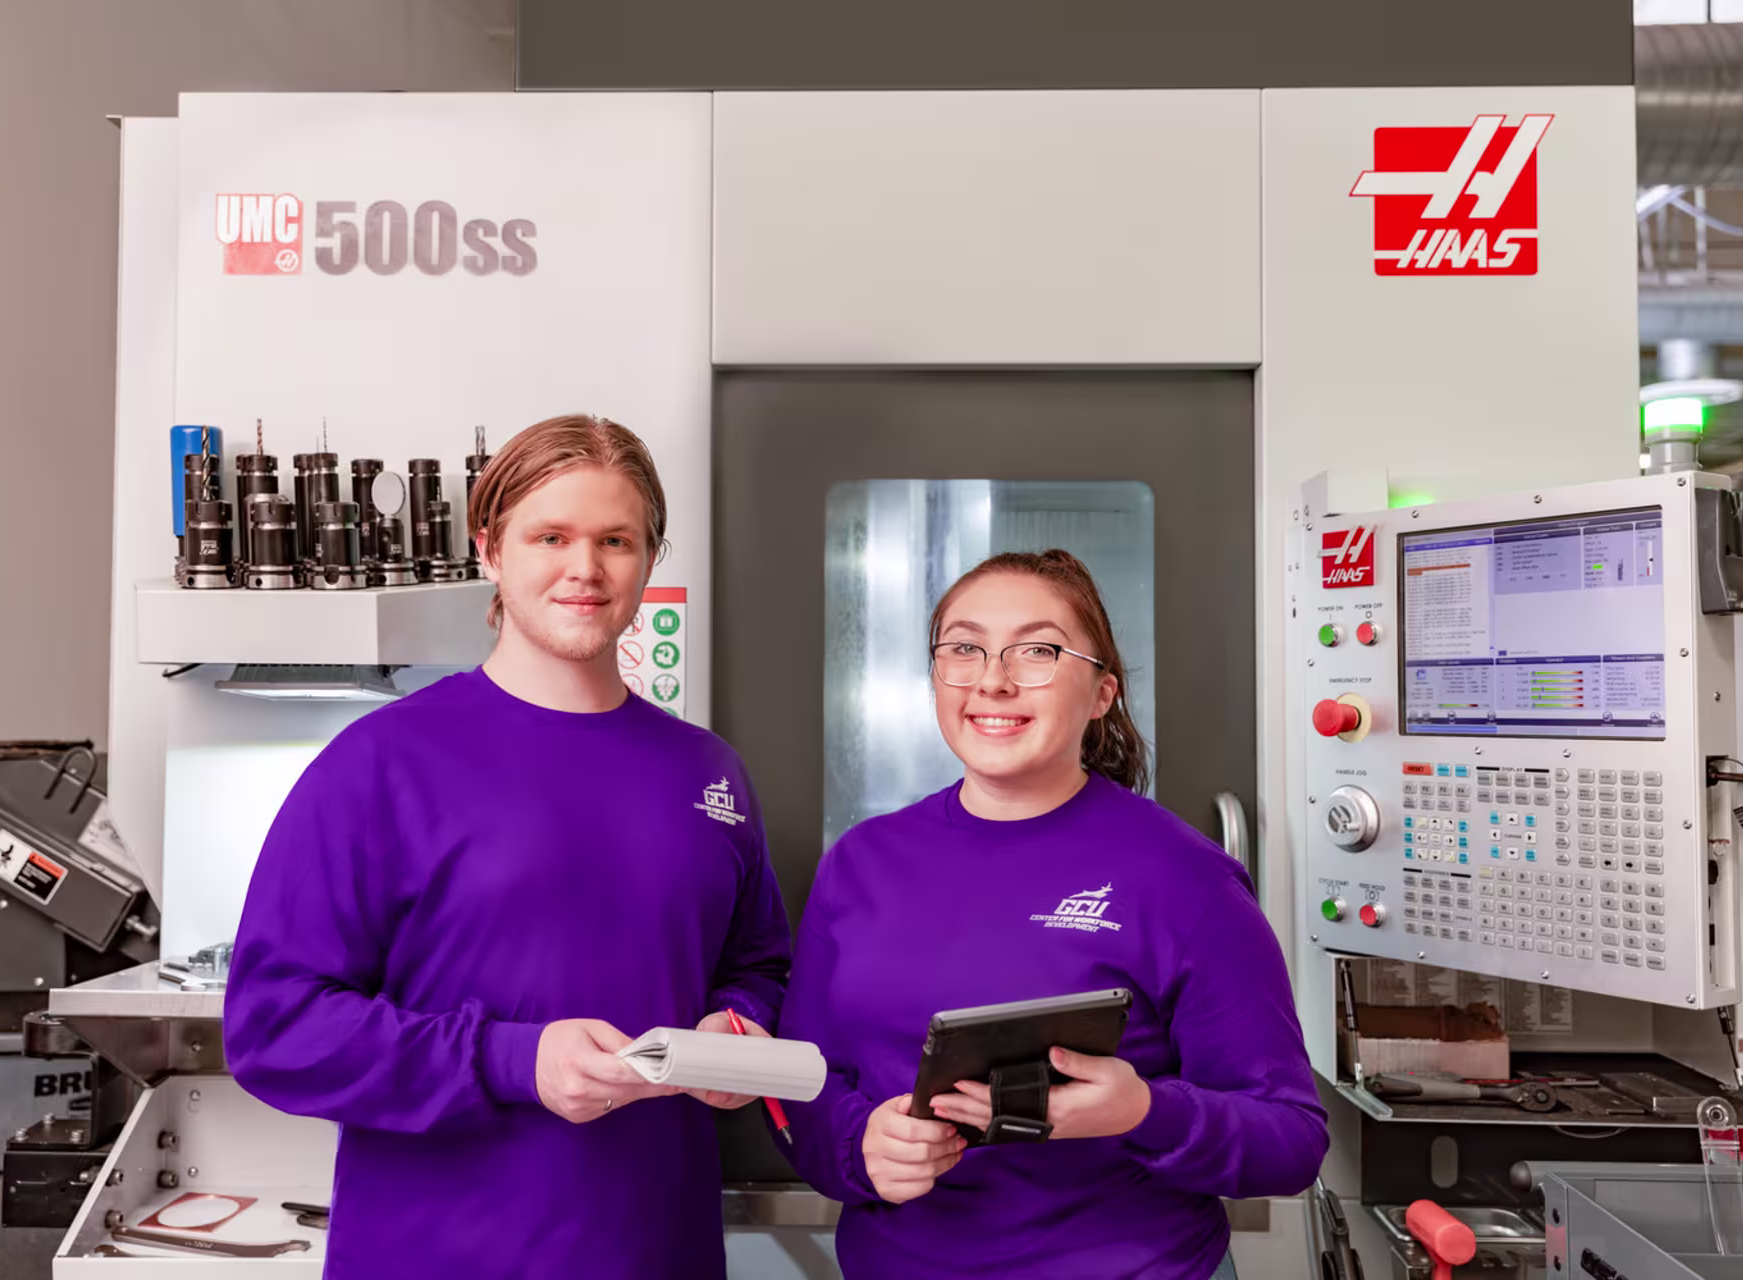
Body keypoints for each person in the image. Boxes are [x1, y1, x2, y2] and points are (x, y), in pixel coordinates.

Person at [224, 415, 791, 1279]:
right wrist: (512, 1059)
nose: (586, 569)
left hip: (657, 1249)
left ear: (649, 558)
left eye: (616, 540)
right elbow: (274, 1027)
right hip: (442, 1253)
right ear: (491, 551)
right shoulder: (381, 764)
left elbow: (761, 966)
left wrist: (737, 1030)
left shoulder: (707, 773)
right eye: (551, 537)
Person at [777, 550, 1327, 1279]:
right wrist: (859, 1147)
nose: (993, 679)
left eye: (1037, 651)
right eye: (964, 648)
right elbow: (799, 1087)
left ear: (1102, 693)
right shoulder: (860, 863)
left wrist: (1143, 1112)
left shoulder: (1183, 876)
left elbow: (1289, 1139)